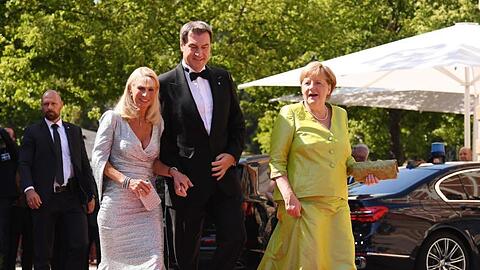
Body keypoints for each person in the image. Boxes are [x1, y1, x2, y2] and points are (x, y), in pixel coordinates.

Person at [258, 61, 378, 270]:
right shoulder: (290, 113)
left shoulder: (341, 115)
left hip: (337, 203)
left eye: (318, 83)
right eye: (307, 83)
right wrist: (288, 197)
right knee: (305, 264)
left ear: (329, 88)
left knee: (341, 263)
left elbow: (346, 160)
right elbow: (277, 161)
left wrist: (365, 173)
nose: (312, 88)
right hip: (302, 204)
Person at [157, 21, 246, 270]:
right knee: (185, 254)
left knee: (236, 237)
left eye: (205, 47)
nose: (200, 53)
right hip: (186, 182)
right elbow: (162, 137)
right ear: (182, 45)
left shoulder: (222, 77)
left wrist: (231, 155)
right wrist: (174, 172)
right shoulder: (164, 84)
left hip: (224, 179)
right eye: (194, 47)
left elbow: (237, 125)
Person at [91, 67, 189, 270]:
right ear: (130, 89)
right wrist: (127, 181)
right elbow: (99, 160)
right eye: (141, 88)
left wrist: (173, 172)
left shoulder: (157, 123)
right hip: (117, 206)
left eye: (152, 89)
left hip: (147, 207)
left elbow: (152, 163)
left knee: (154, 263)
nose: (146, 94)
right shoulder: (113, 118)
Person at [19, 90, 96, 270]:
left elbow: (84, 165)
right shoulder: (32, 132)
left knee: (80, 244)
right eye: (46, 104)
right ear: (41, 107)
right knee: (43, 251)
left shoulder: (74, 131)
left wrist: (90, 194)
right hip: (43, 199)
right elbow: (24, 163)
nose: (49, 107)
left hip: (72, 196)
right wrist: (29, 189)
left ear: (61, 105)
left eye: (53, 103)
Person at [0, 126, 19, 269]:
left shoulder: (13, 152)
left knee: (5, 237)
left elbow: (12, 145)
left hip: (7, 199)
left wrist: (2, 130)